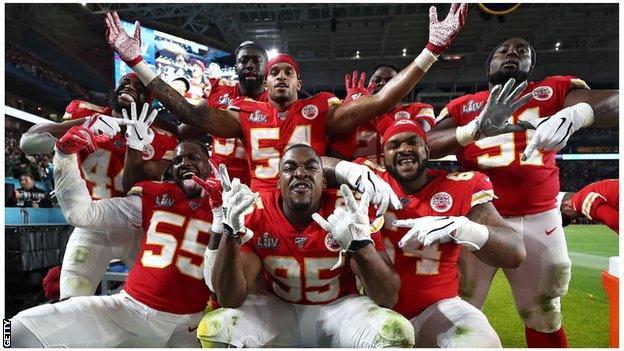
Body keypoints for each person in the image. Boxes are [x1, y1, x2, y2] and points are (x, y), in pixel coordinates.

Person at [104, 4, 469, 192]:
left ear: (299, 84)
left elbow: (382, 99)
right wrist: (137, 62)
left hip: (309, 199)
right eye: (274, 72)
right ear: (266, 84)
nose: (280, 77)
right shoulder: (244, 112)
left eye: (288, 73)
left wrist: (432, 50)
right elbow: (189, 113)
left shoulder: (320, 108)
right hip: (258, 203)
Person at [427, 37, 619, 347]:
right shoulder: (464, 106)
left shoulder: (552, 90)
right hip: (479, 219)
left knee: (543, 313)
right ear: (489, 63)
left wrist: (577, 114)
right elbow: (426, 146)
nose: (512, 54)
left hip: (538, 218)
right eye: (503, 50)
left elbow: (616, 102)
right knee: (458, 310)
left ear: (532, 65)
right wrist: (473, 129)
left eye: (522, 51)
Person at [322, 119, 525, 347]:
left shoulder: (460, 185)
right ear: (383, 155)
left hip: (439, 306)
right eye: (394, 145)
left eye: (413, 142)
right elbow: (310, 165)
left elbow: (515, 252)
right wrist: (346, 169)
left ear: (427, 151)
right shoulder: (369, 178)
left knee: (480, 344)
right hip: (377, 307)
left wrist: (462, 228)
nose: (404, 149)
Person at [195, 144, 414, 347]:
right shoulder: (256, 211)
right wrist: (229, 232)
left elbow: (388, 297)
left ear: (324, 181)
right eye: (290, 168)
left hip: (340, 310)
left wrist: (361, 244)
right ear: (279, 180)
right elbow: (229, 298)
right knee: (217, 327)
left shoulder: (350, 209)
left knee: (394, 332)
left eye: (311, 167)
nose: (300, 173)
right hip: (280, 310)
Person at [10, 134, 216, 348]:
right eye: (177, 160)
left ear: (210, 165)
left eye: (193, 158)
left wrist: (226, 216)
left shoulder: (227, 202)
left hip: (190, 325)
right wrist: (64, 156)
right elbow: (81, 214)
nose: (184, 163)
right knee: (15, 329)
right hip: (133, 310)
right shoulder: (153, 193)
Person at [20, 73, 178, 299]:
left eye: (138, 86)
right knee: (71, 299)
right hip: (91, 224)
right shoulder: (85, 113)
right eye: (124, 81)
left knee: (157, 299)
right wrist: (83, 125)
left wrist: (133, 144)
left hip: (136, 227)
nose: (128, 85)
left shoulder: (161, 138)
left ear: (148, 100)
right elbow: (28, 143)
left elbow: (134, 186)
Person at [179, 41, 269, 186]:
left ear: (266, 68)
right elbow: (184, 130)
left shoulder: (276, 102)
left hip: (258, 190)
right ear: (236, 68)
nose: (250, 65)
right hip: (218, 187)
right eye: (243, 60)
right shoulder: (219, 93)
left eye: (256, 60)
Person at [331, 65, 436, 163]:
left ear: (402, 85)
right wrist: (349, 110)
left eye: (390, 80)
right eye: (377, 80)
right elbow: (334, 156)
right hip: (353, 177)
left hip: (398, 178)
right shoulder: (344, 106)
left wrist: (373, 110)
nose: (382, 83)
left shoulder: (419, 109)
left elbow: (420, 145)